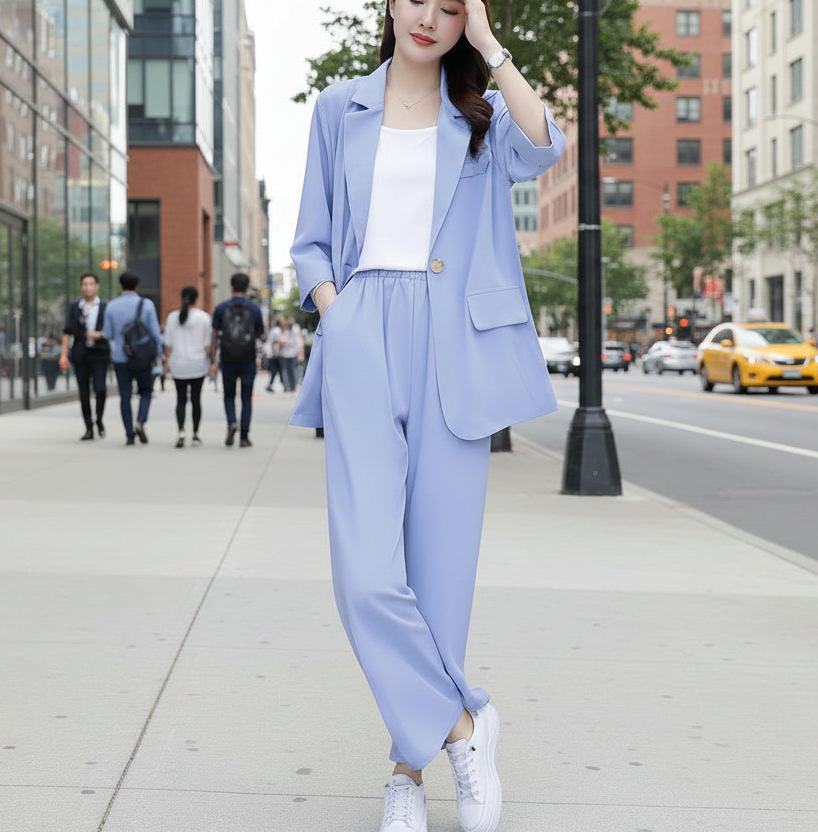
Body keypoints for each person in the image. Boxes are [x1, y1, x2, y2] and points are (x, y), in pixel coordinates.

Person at [288, 2, 564, 830]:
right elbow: (309, 241)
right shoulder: (339, 107)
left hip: (457, 349)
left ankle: (407, 774)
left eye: (452, 7)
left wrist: (490, 45)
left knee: (440, 577)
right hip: (363, 329)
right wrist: (337, 312)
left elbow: (544, 145)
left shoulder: (481, 114)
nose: (429, 17)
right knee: (366, 576)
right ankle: (464, 728)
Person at [101, 272, 162, 445]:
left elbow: (108, 334)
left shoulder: (111, 306)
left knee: (125, 395)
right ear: (137, 287)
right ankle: (140, 421)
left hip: (121, 357)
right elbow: (155, 332)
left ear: (121, 286)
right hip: (143, 356)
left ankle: (129, 433)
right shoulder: (147, 305)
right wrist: (158, 354)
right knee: (146, 392)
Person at [211, 272, 264, 447]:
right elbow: (260, 335)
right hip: (248, 358)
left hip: (227, 358)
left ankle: (232, 422)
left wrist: (213, 359)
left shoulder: (221, 308)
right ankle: (244, 436)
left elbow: (214, 335)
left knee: (229, 395)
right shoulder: (254, 309)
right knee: (246, 398)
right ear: (247, 288)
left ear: (231, 287)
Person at [60, 272, 111, 440]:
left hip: (100, 353)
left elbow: (112, 330)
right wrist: (63, 355)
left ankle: (99, 419)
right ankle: (89, 427)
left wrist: (100, 335)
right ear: (81, 287)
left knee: (100, 388)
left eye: (91, 284)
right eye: (84, 284)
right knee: (84, 392)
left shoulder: (105, 307)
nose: (88, 288)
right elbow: (67, 332)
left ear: (97, 286)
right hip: (81, 354)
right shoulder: (75, 307)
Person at [162, 285, 213, 448]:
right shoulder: (204, 318)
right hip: (198, 364)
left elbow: (168, 345)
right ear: (197, 299)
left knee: (181, 399)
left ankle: (181, 432)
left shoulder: (172, 317)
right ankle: (196, 434)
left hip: (178, 364)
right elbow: (208, 346)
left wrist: (166, 363)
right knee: (196, 400)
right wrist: (211, 362)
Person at [278, 315, 303, 392]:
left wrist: (301, 352)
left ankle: (293, 386)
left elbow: (299, 341)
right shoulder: (285, 331)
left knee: (293, 371)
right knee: (287, 371)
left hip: (293, 353)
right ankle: (289, 387)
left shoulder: (295, 329)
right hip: (286, 354)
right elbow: (281, 341)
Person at [263, 317, 282, 392]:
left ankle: (272, 384)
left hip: (273, 353)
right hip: (274, 353)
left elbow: (274, 341)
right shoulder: (276, 330)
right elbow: (274, 341)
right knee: (276, 369)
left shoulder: (275, 330)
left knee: (275, 369)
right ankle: (273, 384)